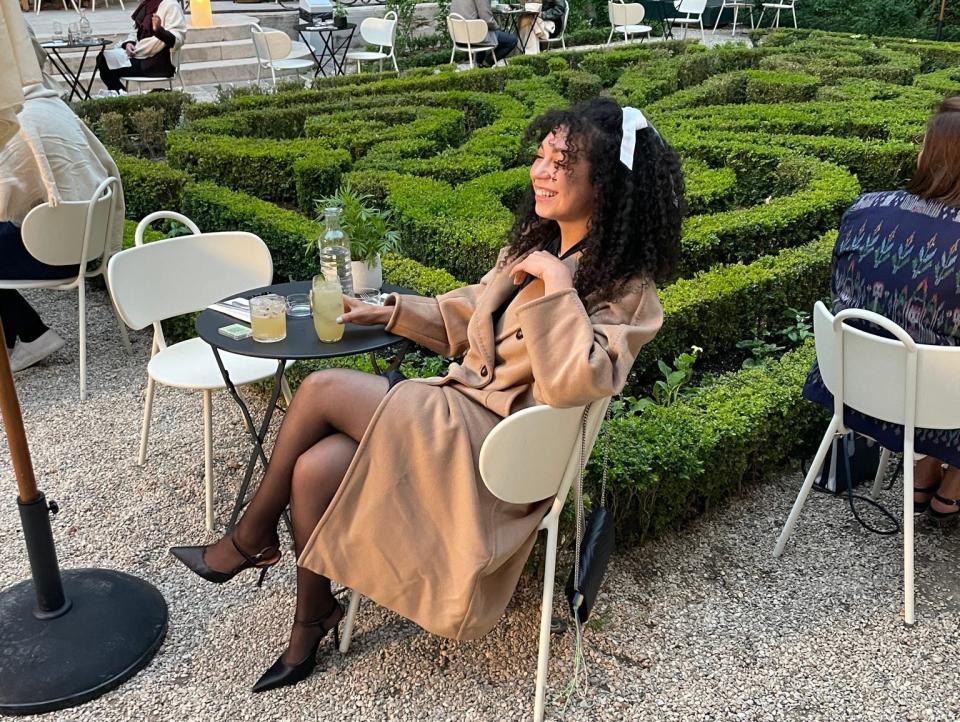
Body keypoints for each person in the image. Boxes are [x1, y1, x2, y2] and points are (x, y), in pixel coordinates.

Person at [170, 96, 684, 692]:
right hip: (456, 416)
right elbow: (472, 311)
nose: (539, 172)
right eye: (540, 156)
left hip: (500, 449)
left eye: (560, 162)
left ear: (606, 183)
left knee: (319, 388)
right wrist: (388, 312)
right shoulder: (534, 248)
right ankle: (311, 617)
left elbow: (573, 383)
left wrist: (559, 287)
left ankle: (246, 541)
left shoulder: (628, 294)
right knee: (313, 469)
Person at [803, 96, 960, 524]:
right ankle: (950, 477)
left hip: (853, 394)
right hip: (939, 414)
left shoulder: (865, 209)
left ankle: (925, 467)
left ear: (928, 152)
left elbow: (842, 293)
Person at [0, 81, 125, 372]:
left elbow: (6, 203)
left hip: (55, 257)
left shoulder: (18, 123)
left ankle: (29, 336)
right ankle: (22, 335)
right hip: (90, 242)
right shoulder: (52, 105)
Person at [95, 0, 186, 94]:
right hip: (139, 55)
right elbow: (136, 32)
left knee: (108, 65)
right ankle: (121, 97)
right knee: (103, 59)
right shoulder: (148, 4)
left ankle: (121, 98)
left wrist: (159, 31)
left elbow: (178, 39)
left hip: (157, 63)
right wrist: (129, 44)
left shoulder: (171, 5)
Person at [451, 0, 518, 66]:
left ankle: (478, 63)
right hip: (474, 37)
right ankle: (487, 63)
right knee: (512, 40)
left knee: (483, 31)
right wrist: (497, 27)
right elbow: (487, 19)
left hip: (459, 37)